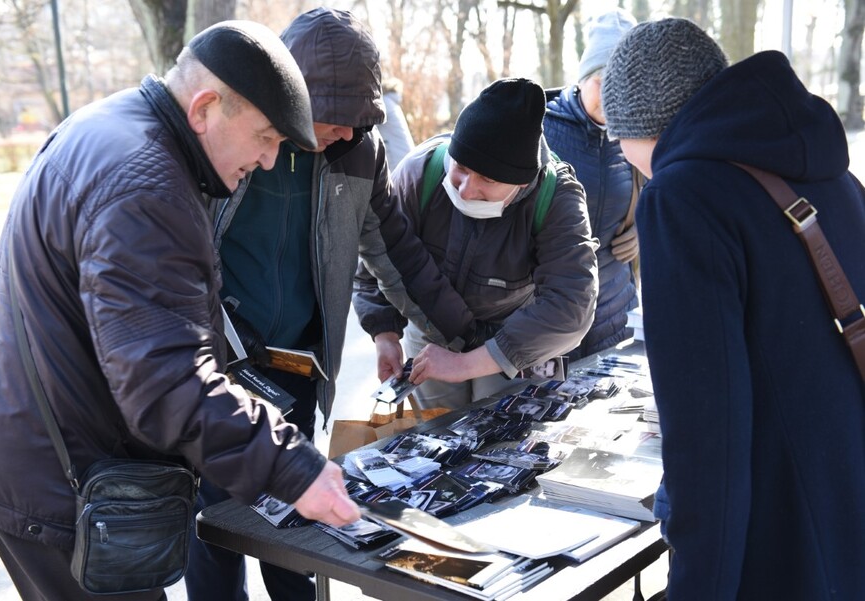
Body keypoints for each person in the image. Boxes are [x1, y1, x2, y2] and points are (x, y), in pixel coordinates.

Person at [0, 20, 361, 601]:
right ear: (205, 107)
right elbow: (165, 382)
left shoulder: (113, 126)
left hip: (31, 455)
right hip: (61, 482)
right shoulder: (147, 183)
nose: (270, 160)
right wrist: (295, 469)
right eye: (266, 136)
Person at [187, 8, 479, 601]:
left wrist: (470, 340)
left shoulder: (357, 153)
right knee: (216, 528)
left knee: (296, 529)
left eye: (358, 122)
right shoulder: (228, 138)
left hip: (296, 372)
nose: (346, 132)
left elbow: (398, 256)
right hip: (217, 373)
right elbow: (181, 261)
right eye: (334, 119)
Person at [601, 17, 865, 599]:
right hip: (847, 507)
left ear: (644, 127)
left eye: (623, 146)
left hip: (780, 543)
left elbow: (707, 442)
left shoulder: (683, 197)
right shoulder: (829, 170)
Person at [354, 78, 599, 409]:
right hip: (428, 332)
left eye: (489, 180)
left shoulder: (558, 198)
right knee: (433, 443)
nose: (467, 189)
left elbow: (572, 306)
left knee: (501, 437)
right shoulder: (420, 170)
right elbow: (377, 257)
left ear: (522, 182)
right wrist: (384, 334)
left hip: (511, 341)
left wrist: (469, 363)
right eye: (462, 168)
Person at [543, 8, 640, 360]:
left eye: (624, 87)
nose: (613, 97)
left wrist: (642, 228)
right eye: (603, 83)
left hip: (616, 313)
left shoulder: (638, 135)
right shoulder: (540, 128)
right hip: (551, 316)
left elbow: (663, 193)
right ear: (582, 76)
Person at [377, 77, 416, 170]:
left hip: (396, 157)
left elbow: (369, 125)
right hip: (405, 154)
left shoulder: (384, 103)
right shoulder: (391, 103)